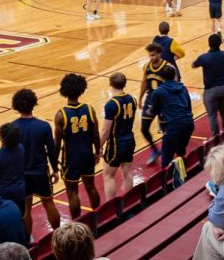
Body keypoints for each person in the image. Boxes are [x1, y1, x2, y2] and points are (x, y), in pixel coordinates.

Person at [9, 89, 61, 236]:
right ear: (34, 104)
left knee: (26, 208)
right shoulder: (44, 126)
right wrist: (55, 169)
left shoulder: (12, 127)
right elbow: (51, 150)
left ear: (16, 106)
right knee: (48, 202)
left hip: (21, 173)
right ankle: (58, 234)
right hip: (40, 171)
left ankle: (28, 241)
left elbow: (10, 153)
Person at [54, 73, 102, 219]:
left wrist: (54, 164)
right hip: (87, 156)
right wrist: (97, 152)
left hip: (71, 160)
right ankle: (99, 217)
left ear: (64, 91)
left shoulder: (61, 115)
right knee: (91, 187)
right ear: (81, 90)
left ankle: (76, 223)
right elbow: (96, 136)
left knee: (72, 192)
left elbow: (57, 143)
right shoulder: (90, 109)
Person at [148, 64, 193, 169]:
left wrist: (150, 110)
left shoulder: (158, 91)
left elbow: (153, 111)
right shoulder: (183, 88)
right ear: (174, 75)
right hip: (188, 123)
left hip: (174, 125)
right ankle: (183, 176)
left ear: (161, 78)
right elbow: (189, 107)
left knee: (166, 157)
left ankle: (167, 183)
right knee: (181, 152)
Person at [100, 72, 136, 199]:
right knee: (127, 173)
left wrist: (99, 146)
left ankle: (111, 209)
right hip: (130, 139)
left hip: (116, 143)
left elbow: (105, 130)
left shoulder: (112, 104)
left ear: (110, 84)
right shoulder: (132, 99)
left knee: (108, 176)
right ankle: (129, 202)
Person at [139, 43, 175, 166]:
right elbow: (144, 82)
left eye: (153, 55)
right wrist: (140, 98)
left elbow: (173, 86)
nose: (151, 57)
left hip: (163, 103)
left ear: (159, 53)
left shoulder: (168, 67)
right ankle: (155, 150)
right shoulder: (146, 66)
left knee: (166, 131)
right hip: (150, 101)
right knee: (144, 129)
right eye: (149, 55)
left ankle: (166, 152)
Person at [194, 33, 224, 137]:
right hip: (223, 88)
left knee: (212, 116)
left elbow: (193, 65)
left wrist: (204, 54)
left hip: (210, 90)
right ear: (219, 43)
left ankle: (215, 137)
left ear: (209, 44)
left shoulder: (204, 57)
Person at [0, 123, 26, 212]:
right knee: (22, 217)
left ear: (2, 137)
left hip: (5, 195)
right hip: (21, 189)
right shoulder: (21, 148)